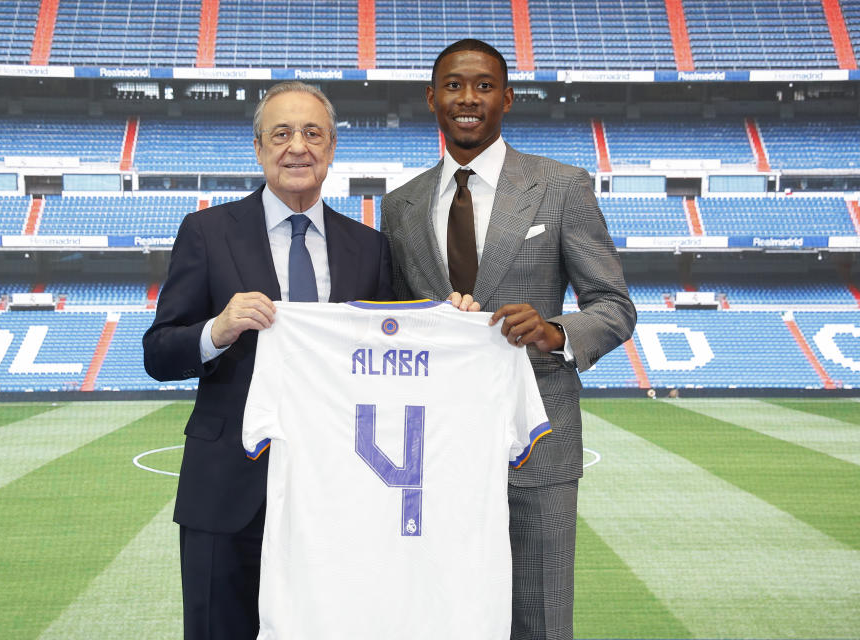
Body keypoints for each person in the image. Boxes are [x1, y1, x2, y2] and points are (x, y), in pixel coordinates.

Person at [380, 40, 636, 640]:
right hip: (433, 450)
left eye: (484, 85)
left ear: (507, 97)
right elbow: (392, 322)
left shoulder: (561, 187)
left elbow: (614, 306)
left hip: (537, 445)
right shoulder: (400, 205)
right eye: (453, 85)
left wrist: (553, 332)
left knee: (539, 621)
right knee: (436, 617)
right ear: (432, 98)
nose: (468, 98)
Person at [143, 81, 393, 640]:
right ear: (258, 148)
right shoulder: (206, 232)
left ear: (331, 149)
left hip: (339, 491)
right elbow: (158, 352)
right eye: (281, 134)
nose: (297, 147)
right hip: (227, 491)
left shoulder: (371, 249)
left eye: (312, 133)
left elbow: (392, 355)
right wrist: (217, 329)